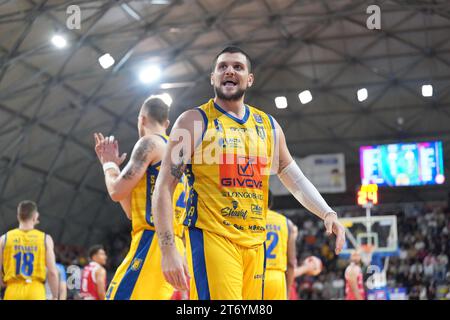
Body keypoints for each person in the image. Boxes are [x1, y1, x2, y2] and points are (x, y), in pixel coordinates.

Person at [152, 46, 345, 300]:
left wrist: (327, 212)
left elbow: (291, 174)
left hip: (256, 242)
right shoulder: (193, 121)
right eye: (222, 67)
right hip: (213, 238)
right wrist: (168, 250)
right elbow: (163, 187)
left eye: (238, 67)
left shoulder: (268, 125)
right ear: (213, 77)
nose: (229, 71)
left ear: (249, 79)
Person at [94, 97, 188, 300]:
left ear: (142, 119)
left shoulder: (149, 143)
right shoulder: (178, 154)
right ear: (167, 123)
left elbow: (116, 191)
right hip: (174, 244)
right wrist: (118, 170)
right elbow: (130, 212)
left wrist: (108, 165)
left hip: (153, 241)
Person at [0, 200, 59, 300]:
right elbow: (52, 272)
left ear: (18, 216)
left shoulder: (4, 239)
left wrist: (2, 284)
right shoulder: (45, 239)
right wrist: (55, 295)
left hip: (12, 290)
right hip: (36, 290)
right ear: (35, 216)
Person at [263, 193, 297, 300]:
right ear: (271, 202)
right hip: (276, 277)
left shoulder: (249, 219)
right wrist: (287, 291)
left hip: (253, 274)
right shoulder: (286, 223)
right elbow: (291, 263)